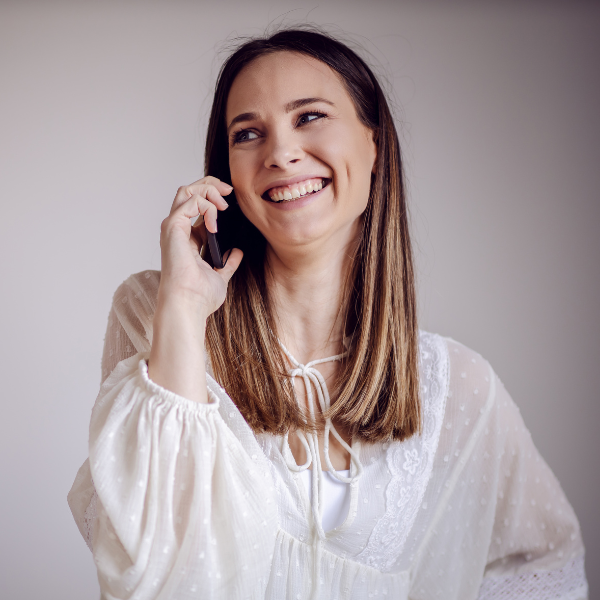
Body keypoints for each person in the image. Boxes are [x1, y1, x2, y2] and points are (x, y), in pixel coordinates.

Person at [68, 28, 588, 599]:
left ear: (374, 146)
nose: (280, 153)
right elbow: (148, 567)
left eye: (309, 117)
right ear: (228, 177)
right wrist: (186, 306)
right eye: (248, 133)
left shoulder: (455, 386)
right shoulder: (156, 315)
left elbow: (543, 566)